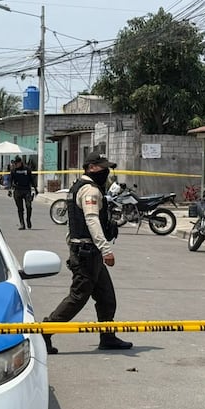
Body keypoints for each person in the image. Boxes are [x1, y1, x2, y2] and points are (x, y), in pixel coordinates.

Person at [42, 151, 132, 354]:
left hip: (88, 252)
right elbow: (92, 221)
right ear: (92, 168)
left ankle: (107, 336)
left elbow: (75, 223)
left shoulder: (78, 187)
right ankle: (44, 331)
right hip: (87, 254)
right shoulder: (90, 190)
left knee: (107, 297)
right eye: (103, 167)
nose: (107, 171)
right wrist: (106, 249)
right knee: (77, 298)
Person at [8, 156, 38, 229]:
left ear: (20, 162)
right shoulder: (13, 170)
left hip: (26, 189)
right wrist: (9, 190)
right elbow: (10, 181)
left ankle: (28, 220)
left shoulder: (27, 169)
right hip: (17, 190)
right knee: (20, 208)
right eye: (15, 163)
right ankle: (22, 224)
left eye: (17, 163)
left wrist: (35, 189)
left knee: (29, 206)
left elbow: (31, 179)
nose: (16, 164)